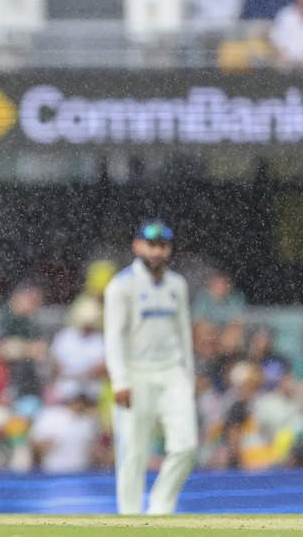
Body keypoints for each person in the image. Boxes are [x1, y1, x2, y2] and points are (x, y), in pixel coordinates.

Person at [104, 220, 196, 515]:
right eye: (151, 245)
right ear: (137, 246)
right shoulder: (122, 286)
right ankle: (130, 518)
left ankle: (160, 508)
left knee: (186, 445)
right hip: (135, 374)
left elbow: (184, 334)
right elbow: (113, 337)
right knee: (132, 452)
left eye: (163, 246)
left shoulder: (177, 285)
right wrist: (119, 381)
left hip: (172, 373)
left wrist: (188, 378)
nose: (157, 252)